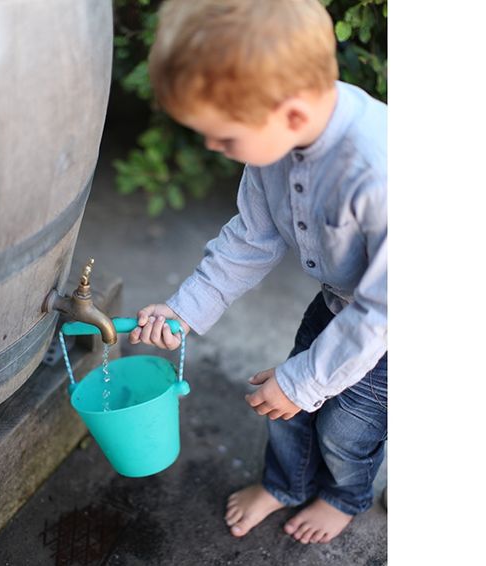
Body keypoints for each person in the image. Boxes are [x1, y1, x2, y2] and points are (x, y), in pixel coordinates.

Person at [129, 0, 386, 545]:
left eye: (225, 138)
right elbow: (252, 236)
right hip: (340, 302)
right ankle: (285, 485)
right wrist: (184, 309)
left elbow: (383, 310)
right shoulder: (277, 142)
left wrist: (303, 381)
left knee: (348, 426)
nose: (213, 147)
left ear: (290, 115)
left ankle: (343, 497)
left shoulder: (378, 174)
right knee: (286, 406)